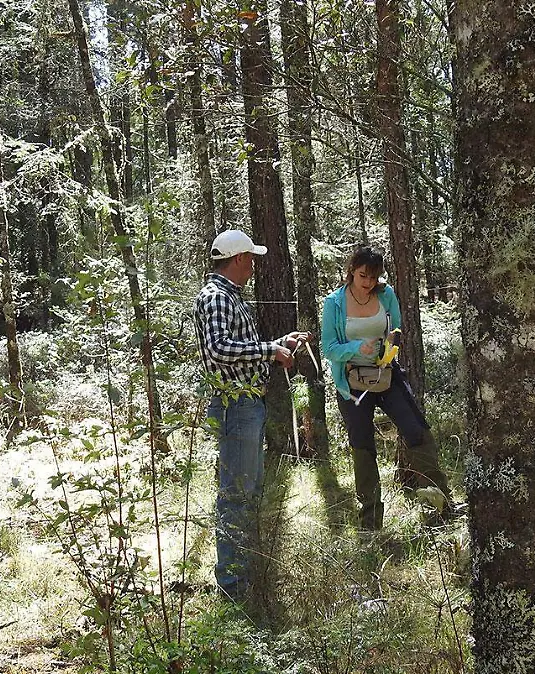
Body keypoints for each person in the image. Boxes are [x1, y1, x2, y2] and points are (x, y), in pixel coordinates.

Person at [194, 229, 308, 599]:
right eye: (251, 259)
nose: (254, 266)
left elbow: (237, 347)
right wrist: (269, 351)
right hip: (235, 405)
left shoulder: (228, 296)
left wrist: (276, 346)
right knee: (236, 496)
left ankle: (244, 579)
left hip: (247, 405)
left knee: (247, 491)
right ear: (239, 259)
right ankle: (233, 589)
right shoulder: (215, 298)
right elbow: (219, 349)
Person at [320, 246, 455, 531]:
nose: (367, 282)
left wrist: (392, 340)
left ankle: (441, 506)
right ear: (351, 271)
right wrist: (357, 347)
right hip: (353, 383)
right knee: (363, 445)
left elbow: (397, 326)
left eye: (373, 277)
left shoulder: (387, 294)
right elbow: (329, 348)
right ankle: (370, 523)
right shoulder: (334, 303)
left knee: (416, 430)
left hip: (387, 375)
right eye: (362, 276)